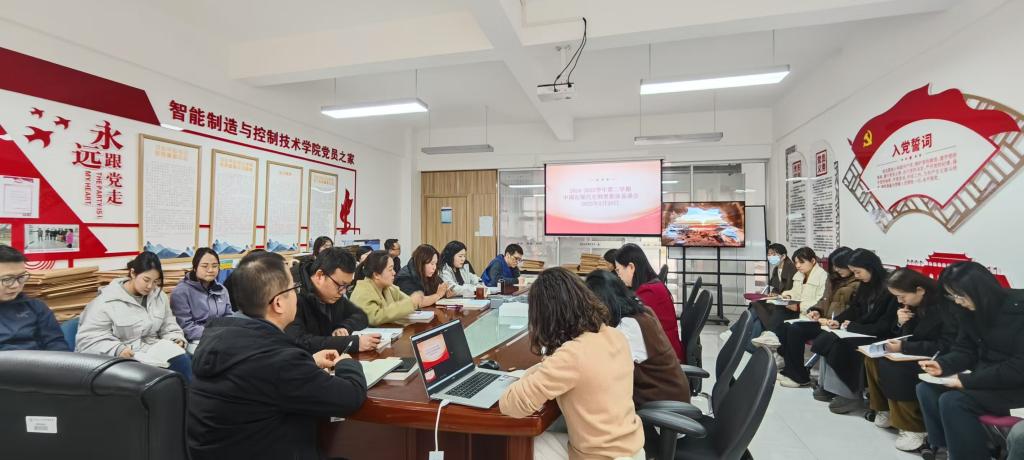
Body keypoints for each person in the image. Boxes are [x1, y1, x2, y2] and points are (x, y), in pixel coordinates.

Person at [187, 251, 367, 460]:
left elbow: (257, 380)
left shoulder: (218, 338)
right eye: (293, 289)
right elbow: (350, 397)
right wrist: (346, 364)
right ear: (278, 303)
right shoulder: (279, 361)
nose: (297, 295)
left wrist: (308, 362)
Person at [499, 267, 645, 460]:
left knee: (515, 446)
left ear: (545, 316)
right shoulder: (614, 335)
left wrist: (525, 375)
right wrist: (546, 366)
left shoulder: (572, 355)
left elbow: (510, 404)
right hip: (633, 450)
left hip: (599, 456)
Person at [916, 262, 1024, 460]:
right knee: (926, 389)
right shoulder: (969, 312)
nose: (958, 302)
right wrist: (943, 364)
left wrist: (966, 381)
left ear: (981, 291)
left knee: (954, 401)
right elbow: (965, 350)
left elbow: (1019, 367)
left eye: (960, 296)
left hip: (1015, 386)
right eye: (953, 296)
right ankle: (945, 448)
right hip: (987, 378)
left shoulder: (1018, 311)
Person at [860, 268, 958, 452]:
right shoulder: (913, 304)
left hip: (938, 357)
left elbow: (945, 344)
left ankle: (913, 426)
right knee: (873, 359)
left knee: (895, 368)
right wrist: (901, 323)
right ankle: (885, 409)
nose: (900, 301)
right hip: (914, 351)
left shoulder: (945, 307)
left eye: (902, 296)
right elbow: (906, 335)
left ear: (920, 290)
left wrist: (904, 348)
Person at [77, 252, 191, 380]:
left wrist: (175, 339)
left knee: (183, 360)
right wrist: (118, 349)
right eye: (146, 280)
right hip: (123, 360)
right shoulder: (106, 301)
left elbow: (168, 325)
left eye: (155, 282)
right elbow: (88, 340)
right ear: (133, 273)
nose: (150, 286)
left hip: (154, 354)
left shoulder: (159, 297)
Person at [812, 249, 900, 414]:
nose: (856, 276)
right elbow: (855, 309)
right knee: (829, 338)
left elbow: (885, 325)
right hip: (864, 330)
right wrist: (838, 321)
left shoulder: (889, 288)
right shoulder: (866, 285)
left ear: (870, 268)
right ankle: (828, 386)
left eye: (858, 272)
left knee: (842, 346)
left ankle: (849, 394)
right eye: (854, 272)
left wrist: (853, 327)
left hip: (881, 335)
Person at [585, 269, 690, 406]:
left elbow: (605, 369)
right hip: (670, 392)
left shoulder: (628, 326)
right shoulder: (641, 311)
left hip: (659, 400)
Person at [775, 247, 858, 388]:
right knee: (785, 327)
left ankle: (799, 377)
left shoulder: (856, 283)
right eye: (834, 266)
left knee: (795, 329)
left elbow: (854, 310)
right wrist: (817, 310)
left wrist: (835, 320)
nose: (836, 269)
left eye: (839, 266)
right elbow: (823, 300)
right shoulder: (833, 278)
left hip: (837, 323)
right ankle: (791, 371)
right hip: (824, 320)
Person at [286, 247, 379, 355]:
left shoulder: (332, 294)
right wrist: (352, 343)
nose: (343, 292)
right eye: (341, 285)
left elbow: (361, 316)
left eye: (347, 286)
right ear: (320, 276)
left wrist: (344, 327)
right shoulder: (291, 295)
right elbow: (299, 341)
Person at [614, 243, 683, 361]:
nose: (618, 275)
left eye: (618, 270)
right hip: (665, 350)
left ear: (631, 267)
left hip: (666, 359)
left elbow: (630, 320)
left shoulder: (649, 292)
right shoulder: (652, 285)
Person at [751, 247, 828, 348]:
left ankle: (770, 336)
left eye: (801, 262)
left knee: (767, 314)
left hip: (811, 314)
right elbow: (795, 291)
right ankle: (769, 337)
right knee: (760, 306)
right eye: (796, 263)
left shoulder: (823, 276)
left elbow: (821, 302)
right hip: (796, 311)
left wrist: (799, 307)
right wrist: (787, 296)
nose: (798, 266)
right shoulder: (799, 274)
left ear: (813, 261)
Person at [0, 245, 68, 351]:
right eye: (7, 279)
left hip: (37, 360)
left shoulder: (35, 306)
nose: (16, 285)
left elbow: (56, 343)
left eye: (21, 277)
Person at [170, 247, 231, 353]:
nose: (210, 270)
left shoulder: (221, 289)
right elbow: (186, 327)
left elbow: (228, 315)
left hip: (221, 335)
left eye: (215, 266)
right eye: (204, 266)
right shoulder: (181, 292)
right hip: (195, 340)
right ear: (195, 268)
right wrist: (215, 333)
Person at [350, 250, 424, 326]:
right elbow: (375, 317)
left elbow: (408, 301)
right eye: (390, 269)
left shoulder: (388, 287)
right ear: (376, 275)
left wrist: (414, 301)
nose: (394, 273)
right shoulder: (363, 292)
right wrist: (410, 303)